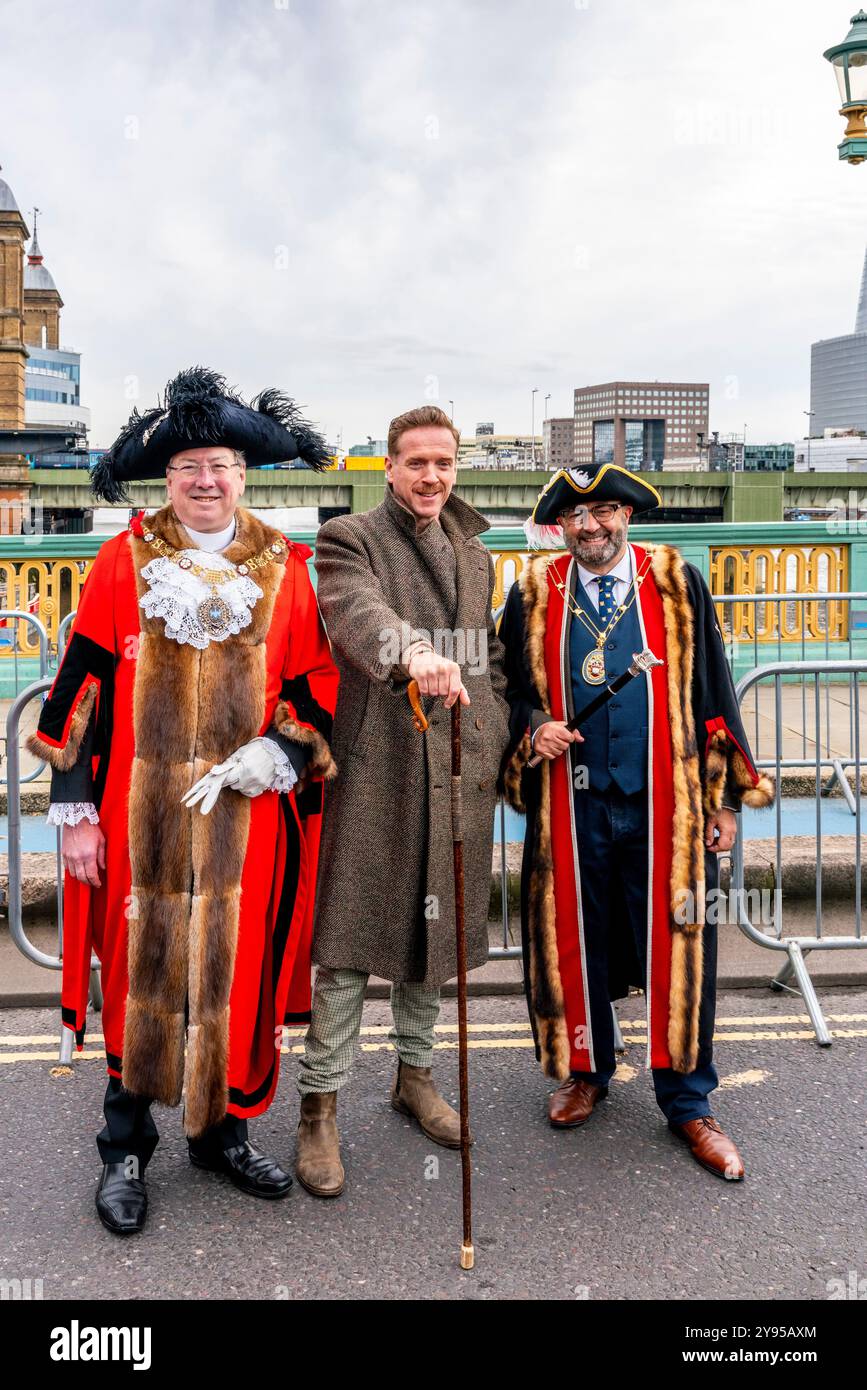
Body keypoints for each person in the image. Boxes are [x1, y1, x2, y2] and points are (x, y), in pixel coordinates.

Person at [28, 367, 338, 1233]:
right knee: (143, 978)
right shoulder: (122, 562)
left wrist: (277, 749)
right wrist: (79, 812)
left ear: (246, 475)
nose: (207, 480)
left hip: (250, 823)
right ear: (167, 478)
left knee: (238, 977)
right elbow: (77, 688)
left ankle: (222, 1133)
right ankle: (125, 1149)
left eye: (223, 464)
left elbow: (316, 682)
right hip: (143, 822)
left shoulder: (288, 567)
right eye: (190, 465)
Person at [499, 463, 774, 1180]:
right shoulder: (533, 592)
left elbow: (713, 690)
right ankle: (586, 1071)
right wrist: (533, 729)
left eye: (604, 512)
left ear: (627, 515)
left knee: (679, 944)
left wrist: (722, 799)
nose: (591, 527)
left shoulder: (677, 583)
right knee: (575, 938)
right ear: (558, 527)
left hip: (669, 799)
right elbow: (506, 689)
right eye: (575, 517)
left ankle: (688, 1102)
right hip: (570, 799)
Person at [293, 404, 511, 1198]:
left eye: (443, 464)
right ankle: (319, 1105)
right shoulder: (350, 539)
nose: (430, 477)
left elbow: (484, 656)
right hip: (381, 765)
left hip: (458, 763)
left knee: (437, 937)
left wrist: (505, 729)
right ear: (388, 468)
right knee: (350, 942)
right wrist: (412, 653)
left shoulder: (478, 554)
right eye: (415, 462)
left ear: (457, 469)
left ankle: (413, 1077)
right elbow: (356, 615)